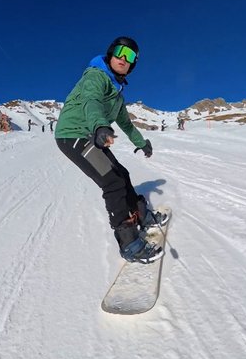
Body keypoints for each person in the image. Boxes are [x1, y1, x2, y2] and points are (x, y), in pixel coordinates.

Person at [54, 36, 169, 264]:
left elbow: (126, 124)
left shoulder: (117, 96)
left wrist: (141, 143)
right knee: (112, 182)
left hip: (90, 134)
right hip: (72, 134)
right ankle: (129, 244)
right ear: (110, 53)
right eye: (120, 52)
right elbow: (91, 101)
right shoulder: (96, 76)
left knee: (121, 174)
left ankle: (142, 215)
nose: (123, 59)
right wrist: (100, 125)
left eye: (130, 57)